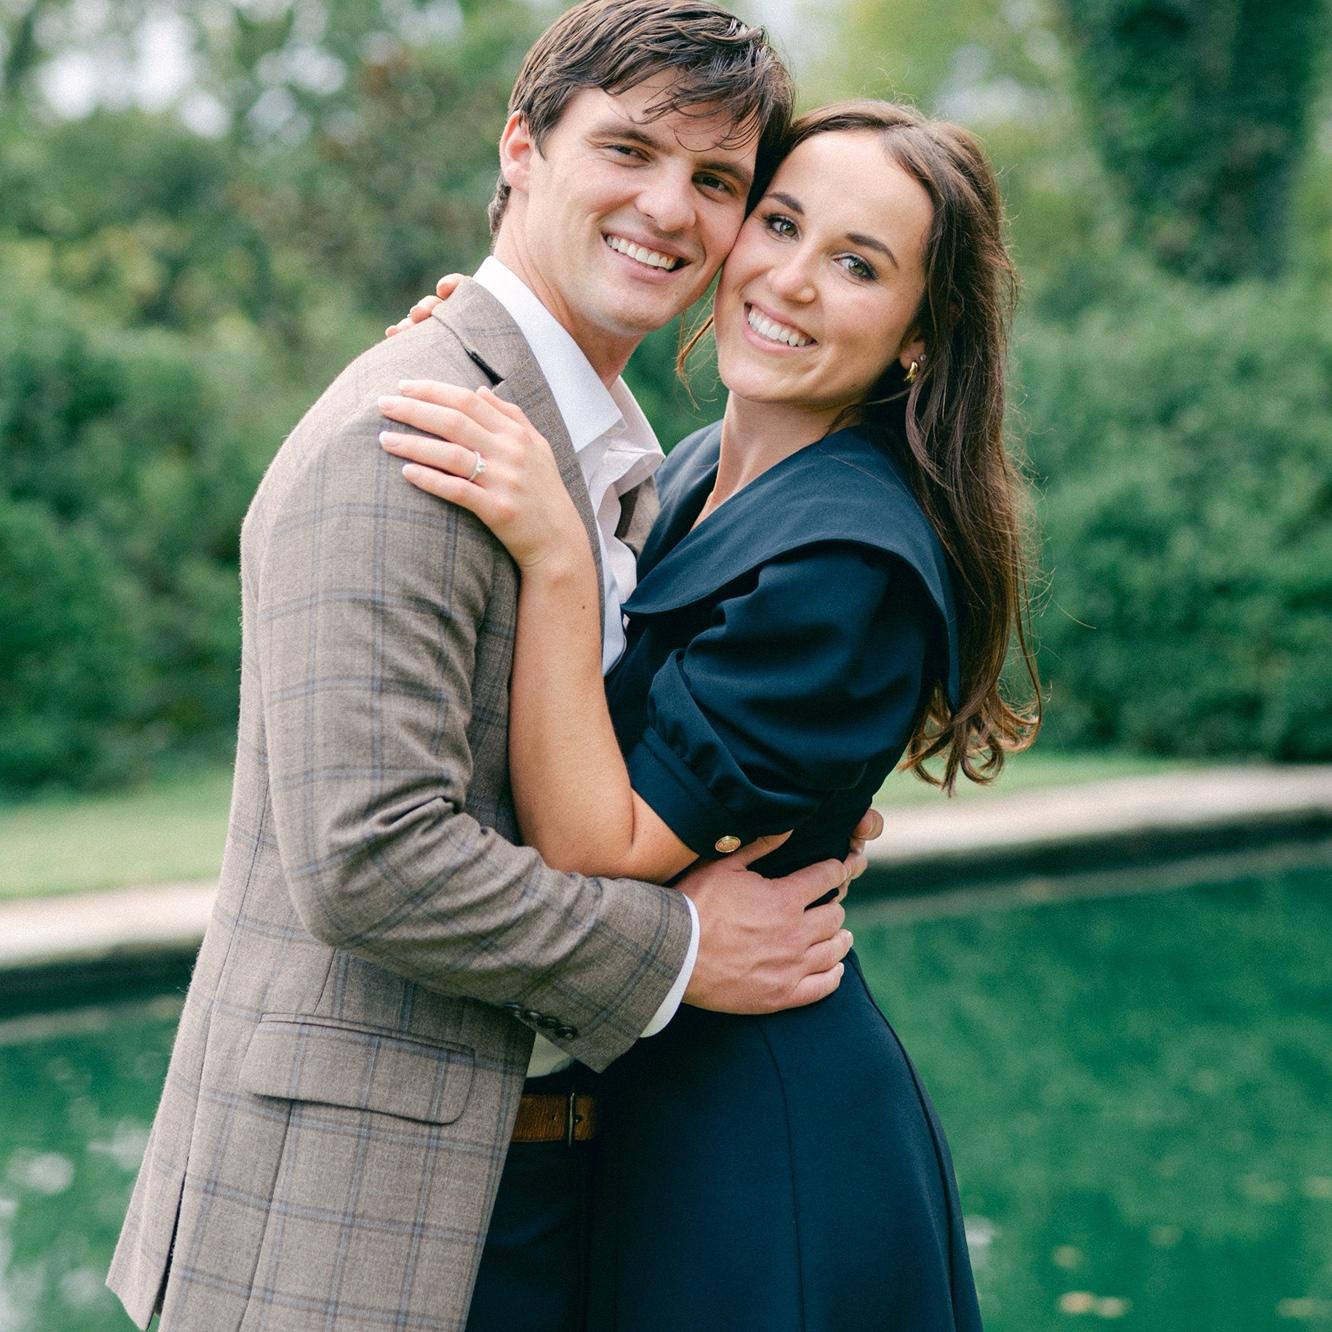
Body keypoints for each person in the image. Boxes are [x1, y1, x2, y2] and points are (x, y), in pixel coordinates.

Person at [106, 7, 880, 1330]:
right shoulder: (409, 438)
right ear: (522, 147)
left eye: (716, 180)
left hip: (532, 1187)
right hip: (350, 1221)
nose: (669, 209)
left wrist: (794, 799)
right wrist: (683, 949)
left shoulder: (611, 464)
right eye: (627, 150)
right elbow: (373, 858)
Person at [380, 99, 1040, 1329]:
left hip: (756, 1145)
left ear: (920, 334)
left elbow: (600, 845)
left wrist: (555, 553)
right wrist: (486, 349)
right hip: (644, 1107)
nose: (791, 279)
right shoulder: (687, 474)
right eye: (780, 223)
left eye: (859, 264)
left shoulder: (846, 564)